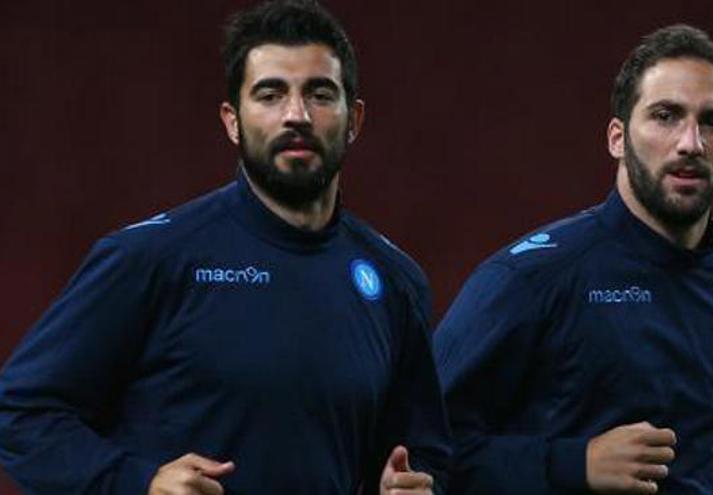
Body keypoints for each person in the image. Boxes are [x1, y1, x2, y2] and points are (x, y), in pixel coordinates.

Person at [0, 1, 449, 493]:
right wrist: (140, 482)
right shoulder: (152, 258)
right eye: (270, 94)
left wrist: (414, 484)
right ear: (232, 120)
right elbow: (19, 412)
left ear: (354, 119)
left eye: (320, 94)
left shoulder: (394, 281)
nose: (296, 115)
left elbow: (423, 453)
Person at [433, 25, 713, 494]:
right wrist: (574, 464)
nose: (691, 143)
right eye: (666, 116)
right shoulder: (532, 278)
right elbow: (424, 450)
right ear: (617, 138)